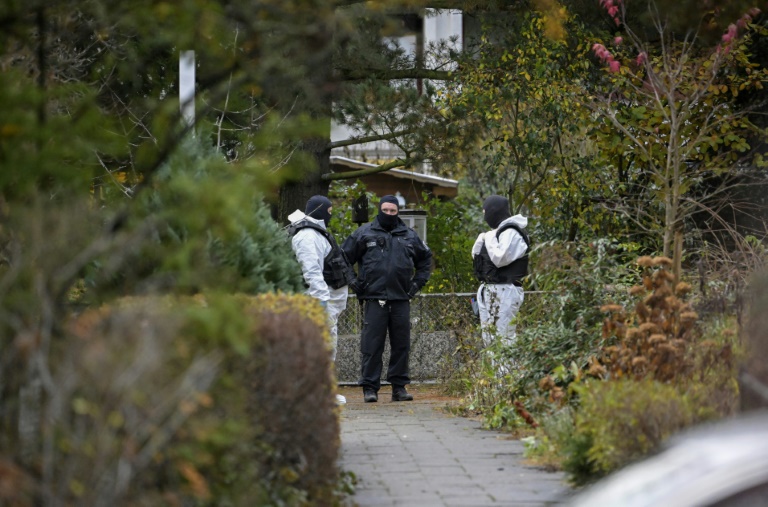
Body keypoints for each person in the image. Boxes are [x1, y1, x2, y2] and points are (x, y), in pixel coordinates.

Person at [342, 195, 433, 403]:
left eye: (393, 211)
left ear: (398, 211)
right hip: (374, 298)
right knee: (372, 344)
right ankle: (370, 387)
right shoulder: (364, 233)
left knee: (401, 344)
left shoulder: (409, 236)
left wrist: (417, 284)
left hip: (401, 297)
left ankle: (399, 387)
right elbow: (344, 257)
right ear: (379, 209)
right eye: (386, 210)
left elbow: (425, 259)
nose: (389, 214)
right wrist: (353, 282)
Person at [289, 195, 355, 405]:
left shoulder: (317, 233)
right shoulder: (308, 236)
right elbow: (312, 272)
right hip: (319, 305)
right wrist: (321, 302)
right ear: (320, 210)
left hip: (328, 307)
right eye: (329, 211)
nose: (331, 214)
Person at [471, 195, 530, 371]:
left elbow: (500, 258)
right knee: (490, 339)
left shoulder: (512, 232)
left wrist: (487, 237)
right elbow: (478, 259)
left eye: (486, 213)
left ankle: (506, 384)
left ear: (494, 212)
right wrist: (483, 239)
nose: (485, 217)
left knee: (504, 338)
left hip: (505, 290)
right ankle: (496, 384)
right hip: (490, 289)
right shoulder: (496, 233)